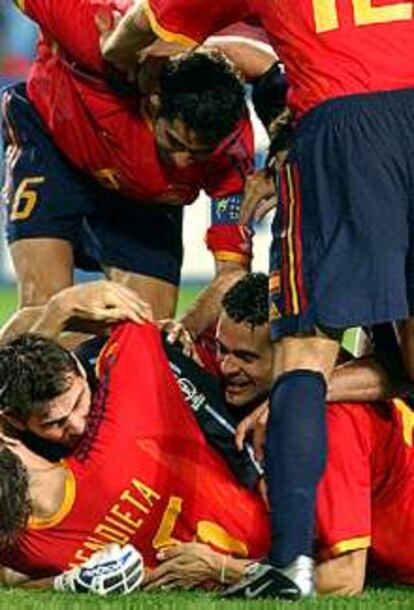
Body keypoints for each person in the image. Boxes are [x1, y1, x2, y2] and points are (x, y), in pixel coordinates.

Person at [97, 0, 414, 598]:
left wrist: (119, 53)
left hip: (343, 125)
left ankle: (289, 563)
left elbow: (148, 25)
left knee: (302, 353)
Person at [2, 1, 274, 338]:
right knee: (43, 307)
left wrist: (183, 332)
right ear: (153, 99)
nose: (182, 161)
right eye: (174, 142)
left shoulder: (230, 155)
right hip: (53, 144)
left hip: (147, 197)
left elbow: (232, 273)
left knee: (143, 332)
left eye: (197, 154)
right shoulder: (95, 35)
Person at [0, 321, 270, 587]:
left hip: (253, 506)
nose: (78, 426)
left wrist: (60, 311)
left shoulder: (117, 390)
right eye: (54, 424)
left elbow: (134, 319)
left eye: (80, 402)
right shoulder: (24, 490)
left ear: (80, 371)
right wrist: (65, 582)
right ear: (15, 421)